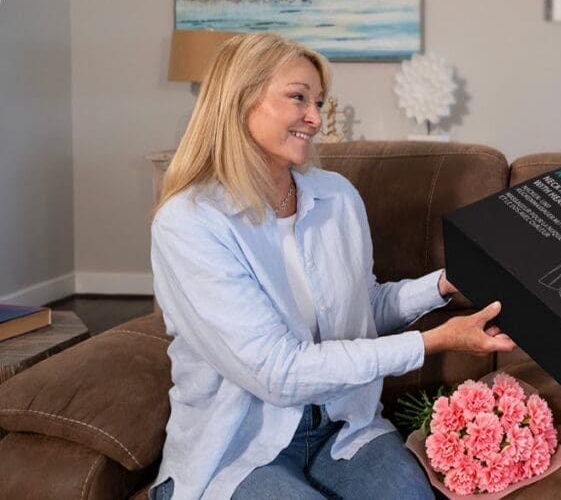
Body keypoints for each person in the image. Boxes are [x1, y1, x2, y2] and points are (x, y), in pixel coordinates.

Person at [148, 33, 516, 499]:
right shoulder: (190, 223)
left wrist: (444, 284)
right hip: (239, 448)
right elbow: (278, 373)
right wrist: (432, 342)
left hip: (344, 426)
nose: (316, 118)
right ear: (241, 100)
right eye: (298, 98)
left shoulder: (336, 197)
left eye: (319, 101)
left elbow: (362, 310)